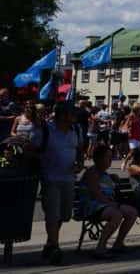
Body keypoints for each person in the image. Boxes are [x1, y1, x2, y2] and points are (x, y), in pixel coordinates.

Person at [32, 101, 83, 265]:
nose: (75, 116)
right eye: (71, 113)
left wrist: (80, 164)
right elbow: (31, 150)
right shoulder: (45, 130)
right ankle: (55, 246)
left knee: (64, 215)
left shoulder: (76, 129)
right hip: (50, 178)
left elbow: (80, 150)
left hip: (69, 179)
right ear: (62, 115)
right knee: (53, 214)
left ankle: (49, 242)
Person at [81, 144, 138, 258]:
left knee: (132, 212)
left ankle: (118, 244)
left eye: (111, 157)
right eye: (108, 157)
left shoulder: (105, 174)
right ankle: (100, 247)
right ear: (98, 159)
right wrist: (113, 204)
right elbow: (96, 195)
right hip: (92, 206)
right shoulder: (92, 173)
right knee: (116, 214)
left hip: (106, 205)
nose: (110, 160)